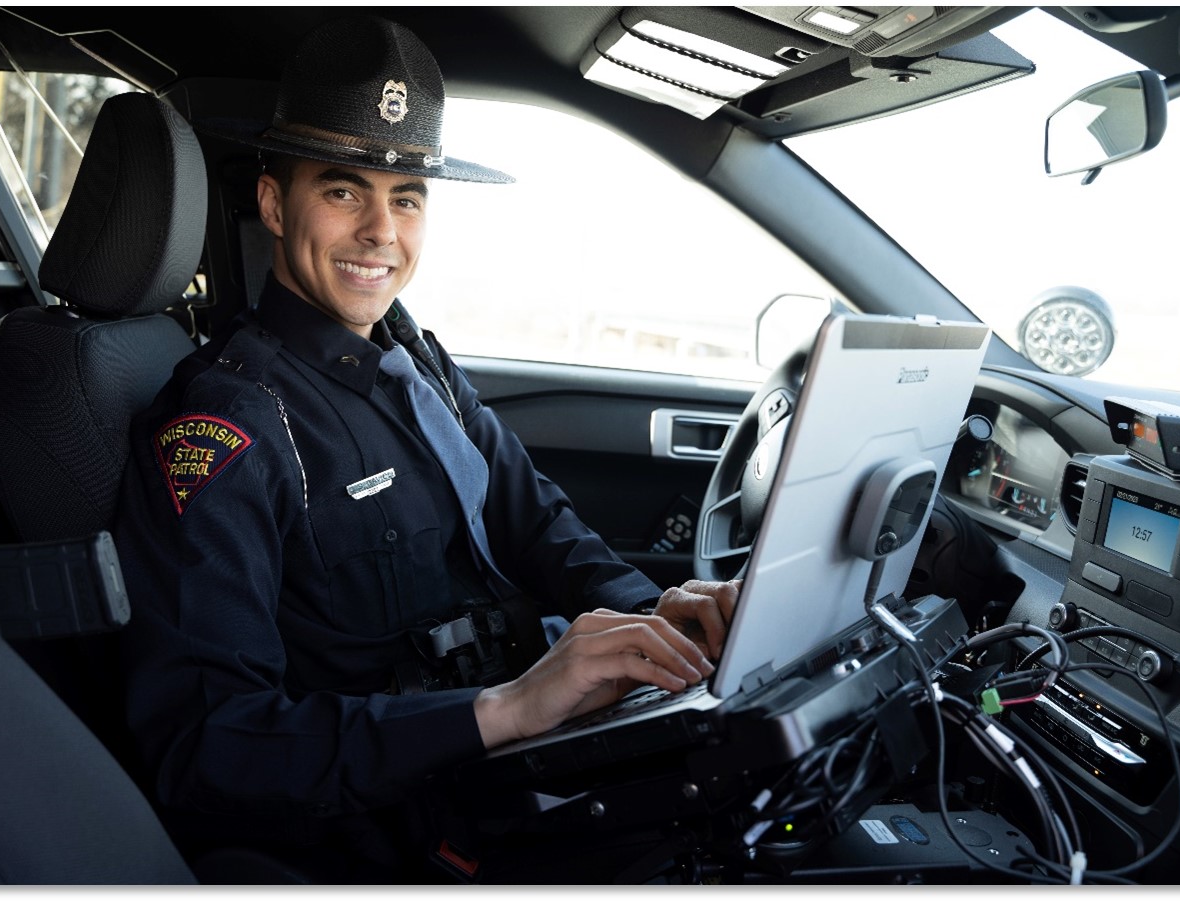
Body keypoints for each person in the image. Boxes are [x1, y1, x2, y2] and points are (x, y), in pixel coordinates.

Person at [111, 14, 738, 877]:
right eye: (342, 190)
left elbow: (536, 523)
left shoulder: (417, 362)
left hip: (528, 764)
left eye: (406, 198)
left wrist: (656, 616)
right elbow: (209, 746)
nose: (381, 231)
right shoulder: (227, 431)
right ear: (271, 202)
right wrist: (507, 708)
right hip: (404, 822)